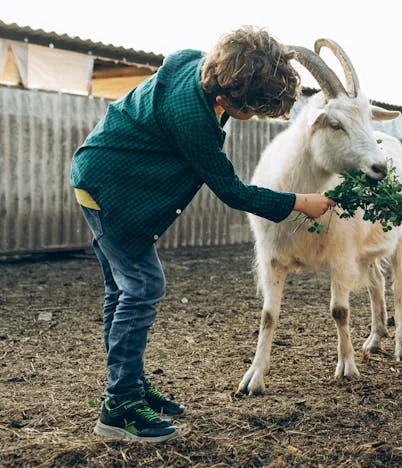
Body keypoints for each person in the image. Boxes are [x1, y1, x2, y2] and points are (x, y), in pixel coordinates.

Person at [70, 25, 335, 443]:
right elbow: (231, 190)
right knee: (142, 286)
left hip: (101, 174)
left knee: (122, 292)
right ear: (225, 96)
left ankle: (130, 387)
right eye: (250, 109)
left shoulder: (201, 68)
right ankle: (118, 407)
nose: (251, 117)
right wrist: (298, 202)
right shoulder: (192, 116)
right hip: (111, 191)